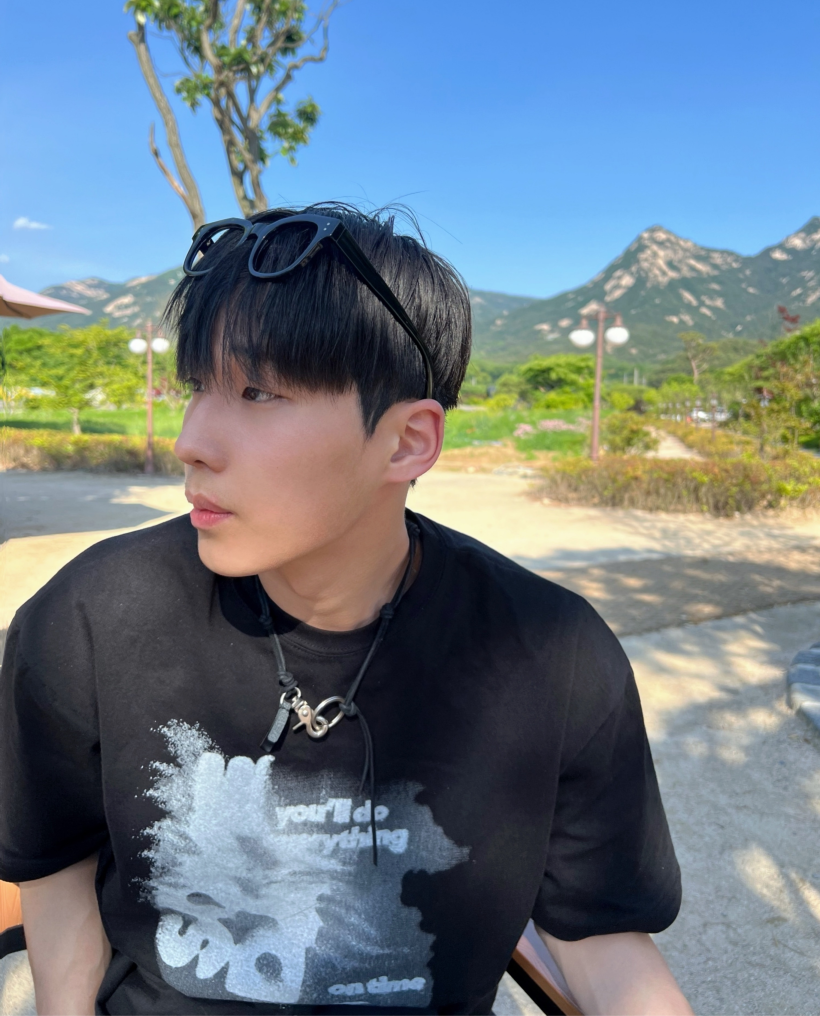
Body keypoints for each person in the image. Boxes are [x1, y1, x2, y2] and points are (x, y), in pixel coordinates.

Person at [0, 204, 691, 1016]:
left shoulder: (553, 653)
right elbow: (55, 866)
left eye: (257, 391)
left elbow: (602, 939)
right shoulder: (92, 615)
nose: (190, 441)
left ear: (407, 442)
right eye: (197, 387)